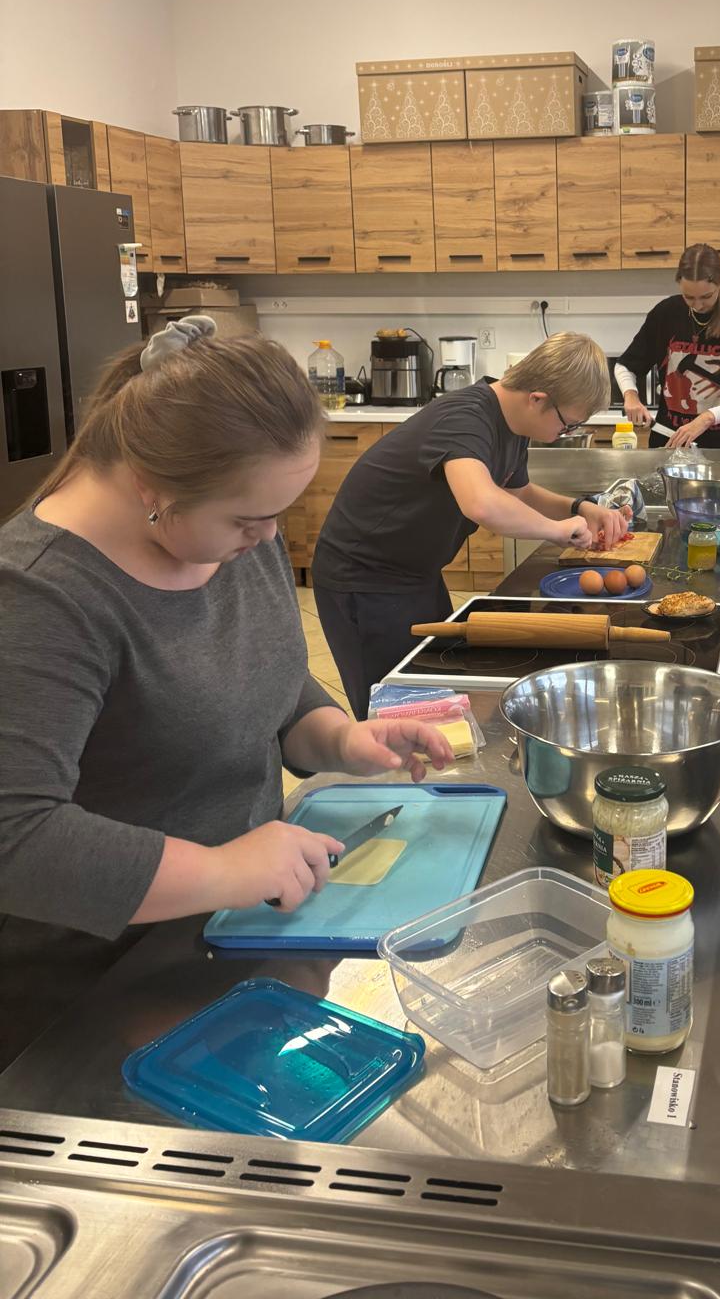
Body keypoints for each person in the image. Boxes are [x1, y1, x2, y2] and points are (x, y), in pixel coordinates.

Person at [0, 317, 453, 1070]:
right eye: (249, 518)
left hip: (238, 940)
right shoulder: (39, 597)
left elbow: (265, 680)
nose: (269, 538)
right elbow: (15, 840)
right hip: (92, 999)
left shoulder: (224, 536)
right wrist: (223, 870)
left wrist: (339, 738)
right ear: (153, 488)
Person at [312, 332, 624, 718]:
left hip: (416, 574)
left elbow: (518, 492)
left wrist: (580, 507)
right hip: (363, 578)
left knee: (435, 693)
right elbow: (481, 502)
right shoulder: (466, 417)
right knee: (391, 708)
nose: (566, 434)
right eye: (567, 425)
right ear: (537, 399)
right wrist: (556, 530)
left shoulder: (513, 425)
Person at [616, 243, 720, 450]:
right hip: (667, 444)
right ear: (679, 283)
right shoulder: (666, 313)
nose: (698, 305)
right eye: (689, 297)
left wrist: (706, 418)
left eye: (706, 296)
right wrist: (631, 396)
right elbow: (625, 366)